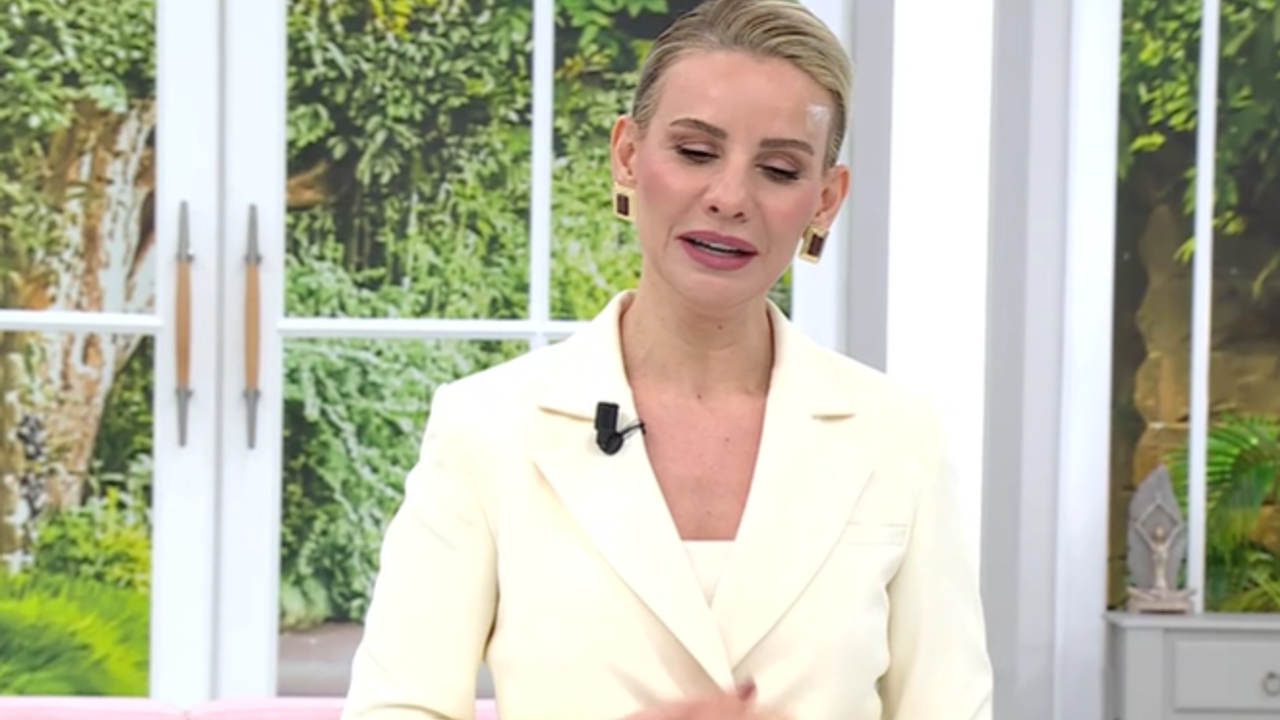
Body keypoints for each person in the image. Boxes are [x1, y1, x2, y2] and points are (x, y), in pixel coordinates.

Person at [341, 0, 993, 718]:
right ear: (627, 155)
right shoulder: (486, 427)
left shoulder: (899, 437)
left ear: (825, 200)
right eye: (695, 153)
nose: (730, 198)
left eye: (779, 169)